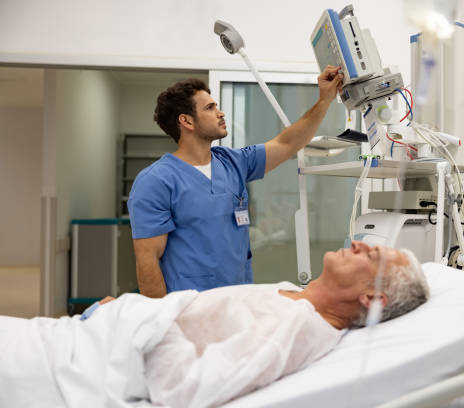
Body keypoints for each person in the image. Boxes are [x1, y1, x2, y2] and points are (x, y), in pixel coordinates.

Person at [0, 243, 429, 408]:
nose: (358, 243)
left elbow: (186, 389)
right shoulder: (288, 294)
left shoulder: (297, 328)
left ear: (372, 299)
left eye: (370, 256)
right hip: (76, 339)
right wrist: (125, 312)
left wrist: (143, 318)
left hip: (67, 372)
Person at [128, 65, 344, 298]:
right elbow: (148, 260)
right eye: (210, 108)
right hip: (190, 307)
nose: (220, 113)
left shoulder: (233, 162)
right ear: (187, 121)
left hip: (239, 301)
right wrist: (162, 321)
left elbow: (287, 143)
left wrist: (325, 100)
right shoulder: (156, 181)